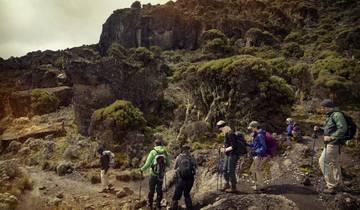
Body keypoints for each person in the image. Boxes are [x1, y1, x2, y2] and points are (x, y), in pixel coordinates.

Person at [314, 99, 347, 194]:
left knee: (322, 161)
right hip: (333, 143)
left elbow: (343, 128)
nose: (322, 109)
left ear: (327, 107)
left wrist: (332, 137)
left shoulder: (337, 115)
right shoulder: (331, 115)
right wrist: (320, 129)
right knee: (334, 163)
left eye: (323, 107)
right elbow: (329, 129)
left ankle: (331, 186)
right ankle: (338, 183)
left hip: (333, 143)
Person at [140, 139, 171, 209]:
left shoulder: (153, 152)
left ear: (155, 144)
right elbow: (168, 164)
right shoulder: (165, 152)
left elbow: (147, 164)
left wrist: (141, 169)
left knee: (151, 190)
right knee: (159, 190)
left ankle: (150, 205)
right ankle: (158, 205)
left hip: (153, 174)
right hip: (161, 175)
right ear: (161, 144)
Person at [216, 120, 244, 193]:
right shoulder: (226, 133)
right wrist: (222, 147)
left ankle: (233, 187)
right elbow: (227, 144)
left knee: (230, 170)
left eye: (219, 128)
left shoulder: (230, 133)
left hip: (233, 154)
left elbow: (234, 146)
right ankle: (227, 184)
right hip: (228, 154)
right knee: (225, 169)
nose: (219, 130)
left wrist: (224, 149)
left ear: (222, 127)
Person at [170, 144, 197, 210]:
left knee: (176, 196)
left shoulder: (179, 157)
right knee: (187, 194)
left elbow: (175, 168)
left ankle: (174, 208)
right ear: (189, 149)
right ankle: (189, 207)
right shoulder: (191, 157)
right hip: (190, 179)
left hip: (181, 179)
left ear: (182, 150)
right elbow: (196, 167)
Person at [247, 121, 268, 191]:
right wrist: (247, 144)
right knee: (253, 169)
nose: (251, 129)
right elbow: (255, 145)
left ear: (255, 127)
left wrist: (255, 151)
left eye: (251, 128)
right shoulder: (256, 134)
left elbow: (264, 147)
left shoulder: (260, 135)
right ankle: (257, 185)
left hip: (260, 155)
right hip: (257, 155)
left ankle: (260, 186)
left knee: (257, 170)